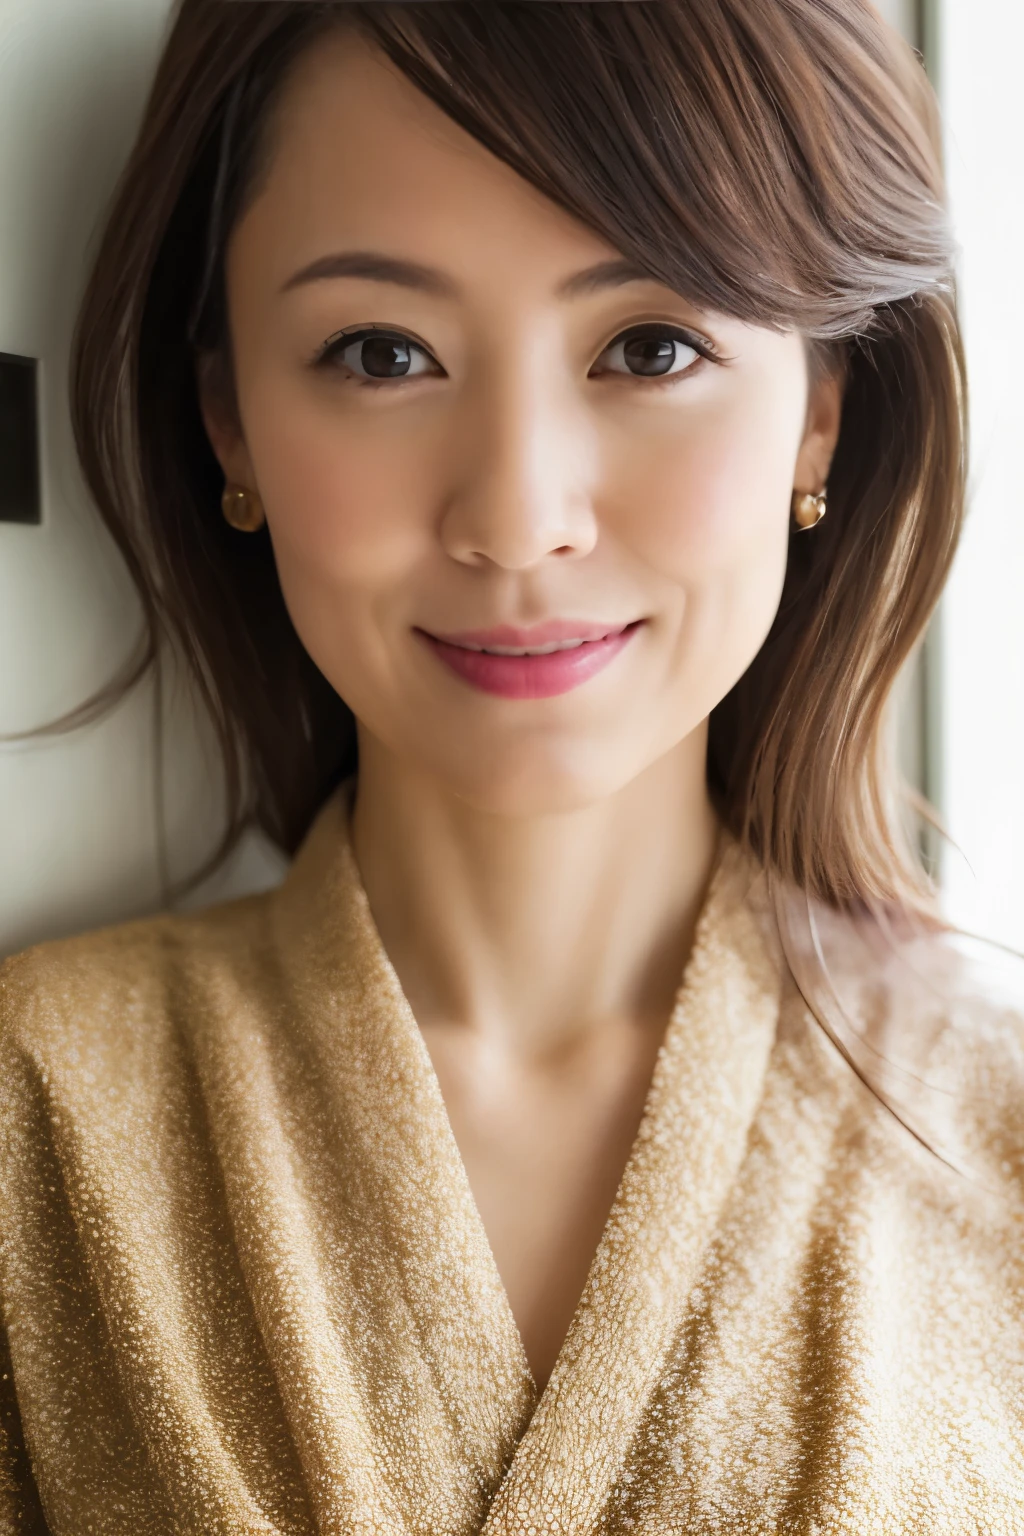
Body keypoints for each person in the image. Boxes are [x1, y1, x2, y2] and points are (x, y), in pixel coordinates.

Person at [1, 1, 1022, 1530]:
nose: (517, 514)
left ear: (823, 406)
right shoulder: (37, 1119)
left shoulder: (998, 1128)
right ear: (231, 422)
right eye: (383, 352)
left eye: (651, 346)